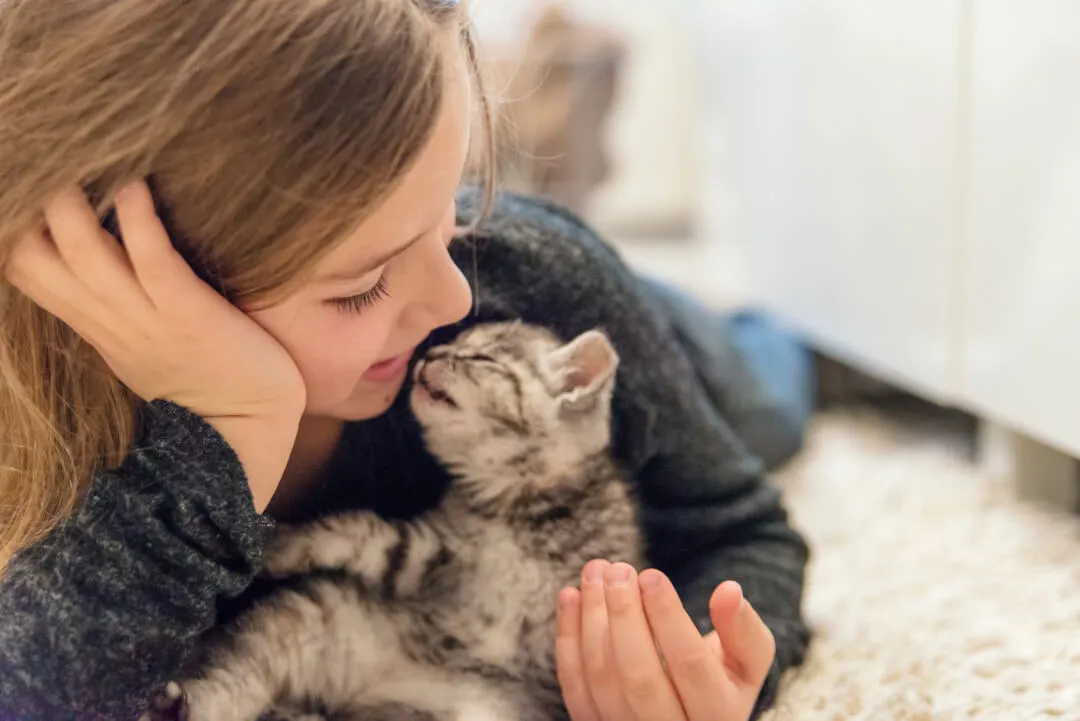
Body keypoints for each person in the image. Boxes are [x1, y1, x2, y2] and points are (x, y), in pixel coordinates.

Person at [0, 1, 810, 720]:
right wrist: (224, 438)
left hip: (590, 317)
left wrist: (692, 673)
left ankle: (770, 328)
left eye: (451, 205)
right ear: (120, 272)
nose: (449, 302)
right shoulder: (33, 430)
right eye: (361, 286)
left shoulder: (523, 288)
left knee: (768, 395)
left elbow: (742, 529)